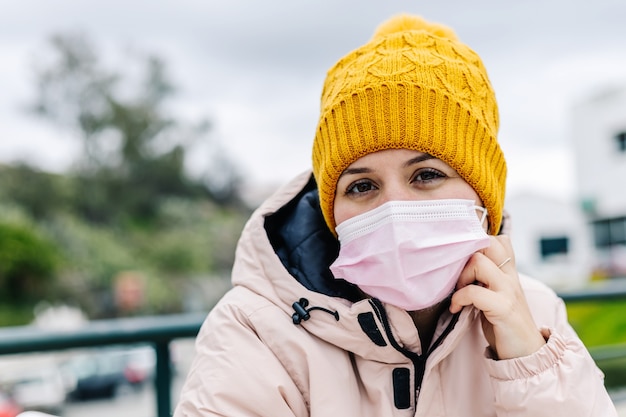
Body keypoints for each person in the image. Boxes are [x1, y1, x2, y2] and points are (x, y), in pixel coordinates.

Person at [174, 13, 618, 416]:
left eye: (426, 174)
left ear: (483, 195)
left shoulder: (536, 313)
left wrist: (529, 365)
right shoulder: (254, 329)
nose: (395, 210)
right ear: (332, 210)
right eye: (362, 185)